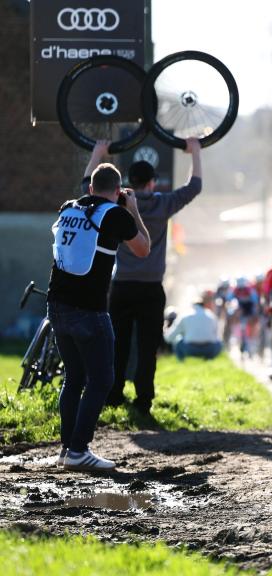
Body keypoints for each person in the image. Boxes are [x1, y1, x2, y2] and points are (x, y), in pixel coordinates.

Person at [87, 139, 203, 415]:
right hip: (152, 287)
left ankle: (114, 395)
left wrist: (98, 153)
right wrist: (195, 152)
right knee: (148, 347)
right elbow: (194, 186)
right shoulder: (163, 203)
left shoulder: (117, 204)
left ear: (130, 182)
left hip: (122, 285)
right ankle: (144, 400)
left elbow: (88, 186)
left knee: (118, 344)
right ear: (152, 183)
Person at [49, 162, 150, 471]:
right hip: (89, 310)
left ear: (91, 188)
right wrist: (133, 210)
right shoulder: (116, 215)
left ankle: (67, 449)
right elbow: (143, 249)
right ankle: (79, 450)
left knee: (74, 377)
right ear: (118, 191)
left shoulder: (69, 208)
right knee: (102, 379)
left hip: (56, 305)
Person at [165, 293, 222, 361]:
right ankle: (208, 360)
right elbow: (216, 335)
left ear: (192, 306)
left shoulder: (184, 316)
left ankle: (181, 362)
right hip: (209, 349)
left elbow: (170, 336)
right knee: (219, 343)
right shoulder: (211, 316)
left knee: (178, 339)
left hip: (189, 349)